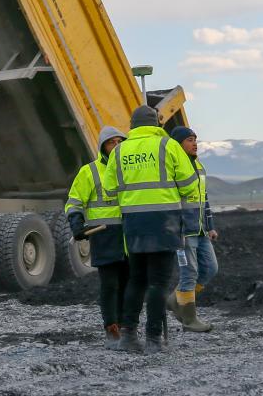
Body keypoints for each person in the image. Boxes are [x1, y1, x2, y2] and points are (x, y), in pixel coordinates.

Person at [101, 105, 201, 353]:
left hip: (134, 224)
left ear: (132, 126)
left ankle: (128, 337)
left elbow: (109, 190)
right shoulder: (167, 145)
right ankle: (154, 339)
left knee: (136, 280)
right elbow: (190, 184)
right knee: (158, 283)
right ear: (156, 124)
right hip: (164, 223)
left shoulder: (120, 150)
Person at [65, 126, 129, 350]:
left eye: (120, 142)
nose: (117, 146)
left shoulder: (131, 170)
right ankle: (111, 327)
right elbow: (74, 201)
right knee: (110, 285)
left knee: (128, 284)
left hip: (130, 237)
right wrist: (76, 224)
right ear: (103, 147)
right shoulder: (89, 172)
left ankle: (126, 326)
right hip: (104, 236)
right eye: (112, 142)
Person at [167, 125, 219, 333]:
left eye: (195, 139)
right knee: (189, 272)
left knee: (210, 268)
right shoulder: (171, 167)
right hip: (183, 231)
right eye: (189, 140)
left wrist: (210, 226)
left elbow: (203, 199)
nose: (195, 143)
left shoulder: (198, 166)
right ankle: (189, 320)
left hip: (200, 230)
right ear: (178, 144)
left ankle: (175, 299)